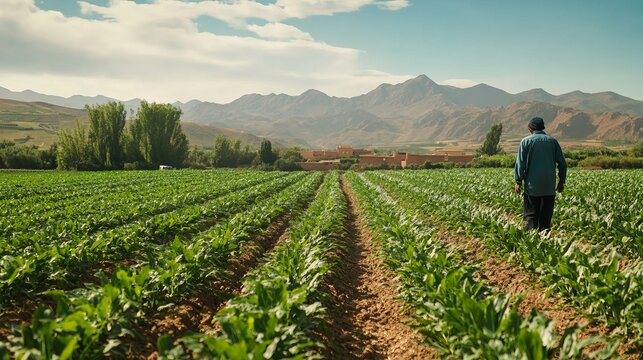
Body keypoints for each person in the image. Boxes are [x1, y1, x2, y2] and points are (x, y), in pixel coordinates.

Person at [514, 117, 567, 231]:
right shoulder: (552, 141)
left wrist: (518, 181)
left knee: (531, 217)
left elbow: (520, 164)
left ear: (531, 127)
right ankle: (545, 243)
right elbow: (562, 163)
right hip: (549, 187)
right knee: (545, 220)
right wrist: (561, 181)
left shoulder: (526, 141)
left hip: (532, 187)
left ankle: (532, 243)